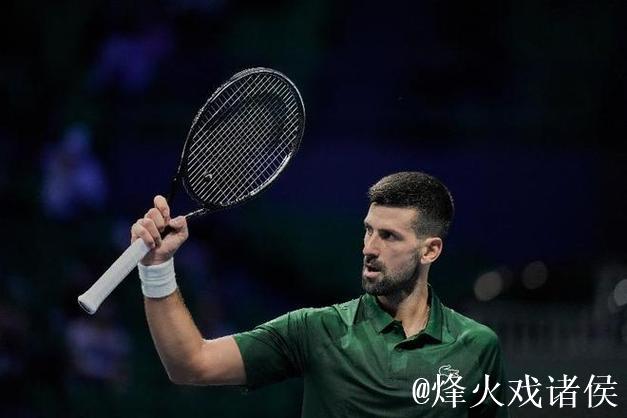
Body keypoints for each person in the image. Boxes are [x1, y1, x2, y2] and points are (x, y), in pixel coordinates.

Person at [131, 171, 509, 417]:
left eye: (389, 236)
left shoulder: (477, 346)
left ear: (430, 251)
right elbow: (191, 364)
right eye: (368, 230)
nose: (369, 248)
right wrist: (157, 267)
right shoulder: (315, 330)